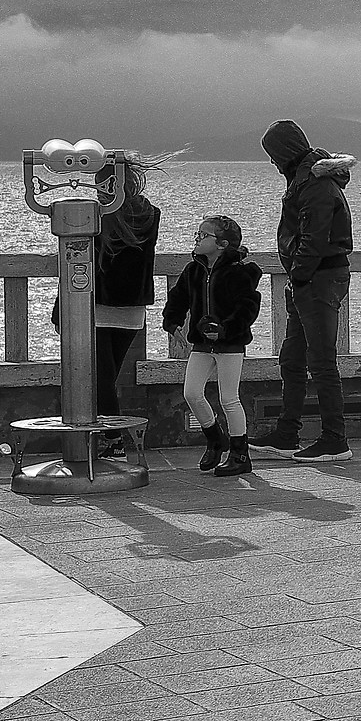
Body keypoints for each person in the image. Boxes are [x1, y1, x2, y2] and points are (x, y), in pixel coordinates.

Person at [257, 121, 356, 462]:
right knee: (293, 358)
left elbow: (314, 237)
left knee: (320, 362)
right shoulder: (307, 177)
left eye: (272, 154)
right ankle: (287, 433)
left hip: (318, 279)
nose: (271, 162)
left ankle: (335, 439)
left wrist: (298, 277)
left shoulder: (313, 183)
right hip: (312, 278)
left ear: (283, 152)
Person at [161, 216, 264, 477]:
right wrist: (172, 322)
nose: (197, 239)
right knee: (192, 393)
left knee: (229, 398)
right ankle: (215, 440)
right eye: (198, 234)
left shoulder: (240, 272)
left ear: (222, 244)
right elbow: (179, 298)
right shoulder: (193, 271)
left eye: (203, 235)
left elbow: (248, 307)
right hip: (202, 344)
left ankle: (240, 454)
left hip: (230, 344)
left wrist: (226, 330)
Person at [89, 152, 165, 432]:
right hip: (132, 309)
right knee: (107, 378)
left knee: (98, 381)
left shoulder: (97, 215)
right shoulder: (150, 214)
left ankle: (112, 440)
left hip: (97, 307)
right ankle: (109, 438)